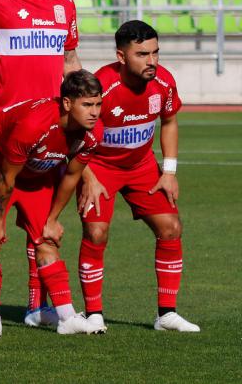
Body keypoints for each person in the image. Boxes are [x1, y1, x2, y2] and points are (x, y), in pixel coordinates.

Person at [0, 0, 84, 329]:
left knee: (41, 228)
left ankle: (38, 307)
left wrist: (85, 101)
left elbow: (70, 61)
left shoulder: (64, 3)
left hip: (51, 133)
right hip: (5, 133)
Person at [76, 21, 199, 333]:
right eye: (142, 54)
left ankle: (166, 314)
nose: (151, 61)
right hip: (99, 167)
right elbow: (74, 134)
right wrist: (87, 176)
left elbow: (169, 121)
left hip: (142, 166)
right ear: (121, 56)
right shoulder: (100, 86)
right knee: (96, 233)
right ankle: (93, 314)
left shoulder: (164, 82)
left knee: (171, 228)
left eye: (155, 53)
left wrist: (169, 171)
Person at [0, 70, 106, 338]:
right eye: (87, 105)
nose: (94, 112)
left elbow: (72, 175)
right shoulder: (34, 124)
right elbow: (6, 177)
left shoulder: (93, 133)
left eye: (98, 104)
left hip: (35, 170)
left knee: (47, 239)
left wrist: (53, 219)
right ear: (67, 103)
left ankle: (67, 317)